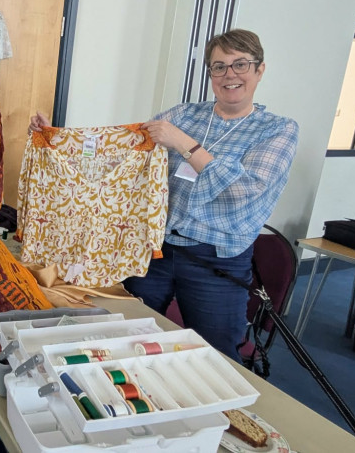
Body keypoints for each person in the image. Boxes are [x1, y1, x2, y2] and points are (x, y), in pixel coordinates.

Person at [29, 29, 298, 360]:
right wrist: (56, 138)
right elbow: (119, 152)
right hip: (154, 250)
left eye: (240, 65)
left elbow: (243, 191)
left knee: (215, 354)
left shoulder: (277, 129)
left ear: (260, 70)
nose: (230, 75)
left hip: (216, 262)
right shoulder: (185, 115)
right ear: (210, 74)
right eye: (219, 67)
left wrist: (183, 144)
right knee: (125, 334)